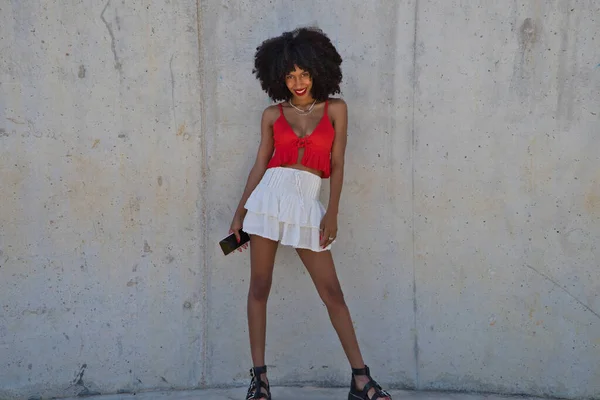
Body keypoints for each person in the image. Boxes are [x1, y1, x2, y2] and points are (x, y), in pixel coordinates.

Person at [229, 27, 392, 400]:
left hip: (307, 203)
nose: (298, 82)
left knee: (332, 292)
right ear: (279, 77)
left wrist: (331, 213)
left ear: (318, 70)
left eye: (303, 73)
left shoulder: (336, 109)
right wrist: (239, 216)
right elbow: (259, 166)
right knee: (259, 287)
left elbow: (338, 162)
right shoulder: (272, 114)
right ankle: (260, 381)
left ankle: (361, 379)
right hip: (268, 200)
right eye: (290, 75)